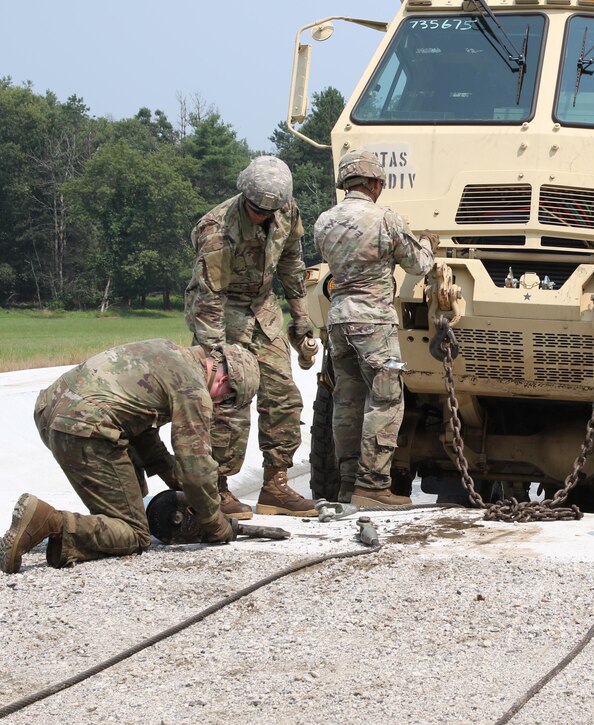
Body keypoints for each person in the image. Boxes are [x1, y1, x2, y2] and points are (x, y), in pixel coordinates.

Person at [1, 340, 259, 574]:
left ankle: (71, 543)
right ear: (225, 383)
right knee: (136, 534)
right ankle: (48, 521)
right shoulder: (193, 390)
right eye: (226, 401)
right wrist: (215, 522)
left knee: (134, 497)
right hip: (86, 428)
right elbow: (196, 468)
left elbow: (140, 427)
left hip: (51, 410)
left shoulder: (169, 351)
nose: (219, 405)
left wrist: (173, 478)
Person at [184, 155, 318, 519]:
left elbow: (291, 263)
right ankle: (218, 487)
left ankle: (275, 486)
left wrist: (302, 319)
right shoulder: (217, 229)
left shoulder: (287, 211)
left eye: (270, 209)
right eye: (257, 209)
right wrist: (214, 357)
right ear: (245, 197)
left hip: (263, 308)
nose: (263, 215)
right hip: (221, 310)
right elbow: (208, 296)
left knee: (283, 396)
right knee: (230, 396)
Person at [314, 150, 435, 509]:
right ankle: (373, 485)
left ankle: (348, 485)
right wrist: (428, 241)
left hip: (338, 321)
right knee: (385, 400)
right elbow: (420, 264)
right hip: (374, 323)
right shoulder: (386, 220)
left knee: (346, 402)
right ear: (375, 184)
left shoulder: (324, 221)